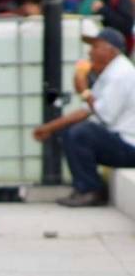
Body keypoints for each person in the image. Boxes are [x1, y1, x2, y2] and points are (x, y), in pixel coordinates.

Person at [33, 28, 135, 207]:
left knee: (81, 133)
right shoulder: (110, 73)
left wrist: (84, 90)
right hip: (120, 141)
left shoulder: (121, 74)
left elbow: (105, 115)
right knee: (71, 130)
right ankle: (85, 186)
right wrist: (48, 128)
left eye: (96, 46)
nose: (90, 52)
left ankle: (90, 189)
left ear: (111, 51)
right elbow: (85, 111)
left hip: (129, 145)